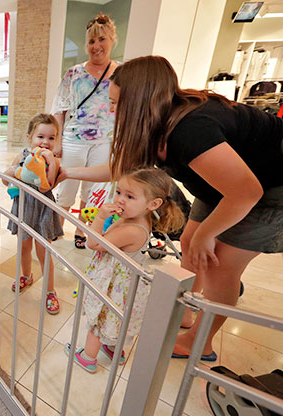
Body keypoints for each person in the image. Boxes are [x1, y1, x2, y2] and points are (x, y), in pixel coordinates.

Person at [60, 55, 283, 362]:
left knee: (220, 265)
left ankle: (200, 342)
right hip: (224, 187)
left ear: (139, 102)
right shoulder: (153, 127)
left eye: (115, 103)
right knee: (190, 242)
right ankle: (186, 313)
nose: (110, 111)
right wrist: (67, 172)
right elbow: (120, 167)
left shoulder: (190, 130)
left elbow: (246, 192)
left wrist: (209, 232)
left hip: (269, 188)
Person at [64, 168, 185, 372]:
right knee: (116, 319)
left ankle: (87, 357)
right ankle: (113, 349)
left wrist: (100, 218)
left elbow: (92, 244)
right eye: (119, 192)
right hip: (124, 284)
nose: (120, 199)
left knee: (100, 319)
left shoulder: (131, 229)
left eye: (129, 196)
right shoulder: (140, 219)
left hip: (113, 285)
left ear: (153, 204)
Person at [51, 13, 119, 250]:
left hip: (105, 140)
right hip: (74, 139)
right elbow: (59, 108)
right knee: (66, 185)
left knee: (93, 190)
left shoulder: (122, 73)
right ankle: (56, 228)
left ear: (112, 40)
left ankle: (82, 229)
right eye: (91, 42)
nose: (96, 46)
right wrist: (57, 140)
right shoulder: (74, 73)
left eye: (101, 39)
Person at [4, 114, 64, 314]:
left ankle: (49, 291)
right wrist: (13, 171)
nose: (46, 142)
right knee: (23, 246)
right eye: (41, 137)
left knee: (43, 252)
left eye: (51, 138)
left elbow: (48, 184)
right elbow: (6, 180)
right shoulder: (21, 156)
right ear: (30, 137)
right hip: (23, 206)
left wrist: (50, 162)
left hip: (42, 209)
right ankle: (26, 276)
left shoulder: (53, 161)